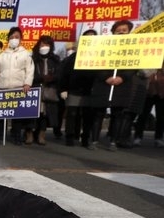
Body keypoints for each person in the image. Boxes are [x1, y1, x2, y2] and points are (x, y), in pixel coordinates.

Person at [90, 20, 137, 151]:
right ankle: (94, 140)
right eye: (119, 30)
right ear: (113, 32)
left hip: (122, 85)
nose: (121, 32)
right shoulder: (103, 47)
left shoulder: (133, 49)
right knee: (98, 113)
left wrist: (122, 77)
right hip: (103, 84)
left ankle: (113, 141)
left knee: (118, 114)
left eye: (124, 30)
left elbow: (134, 67)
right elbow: (96, 64)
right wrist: (106, 77)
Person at [0, 26, 34, 145]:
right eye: (12, 37)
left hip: (18, 89)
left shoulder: (26, 54)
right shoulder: (1, 56)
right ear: (8, 39)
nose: (14, 39)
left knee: (17, 116)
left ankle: (16, 137)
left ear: (21, 39)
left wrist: (27, 83)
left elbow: (30, 70)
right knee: (0, 115)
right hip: (3, 89)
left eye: (17, 37)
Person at [58, 29, 98, 148]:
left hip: (91, 90)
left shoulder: (99, 56)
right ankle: (69, 136)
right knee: (72, 114)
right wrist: (63, 88)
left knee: (87, 116)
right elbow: (64, 74)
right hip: (74, 89)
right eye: (87, 37)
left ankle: (85, 138)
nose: (90, 39)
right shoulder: (73, 57)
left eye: (93, 37)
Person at [30, 35, 61, 145]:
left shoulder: (56, 59)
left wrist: (52, 78)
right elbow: (29, 75)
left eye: (47, 45)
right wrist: (41, 78)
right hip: (35, 89)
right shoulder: (33, 59)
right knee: (32, 112)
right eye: (42, 44)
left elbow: (60, 74)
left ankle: (41, 135)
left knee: (45, 114)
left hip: (49, 90)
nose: (44, 47)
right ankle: (29, 133)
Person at [133, 61, 164, 148]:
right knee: (143, 115)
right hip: (148, 92)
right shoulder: (150, 62)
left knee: (161, 117)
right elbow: (142, 73)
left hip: (161, 93)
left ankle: (158, 138)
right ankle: (138, 137)